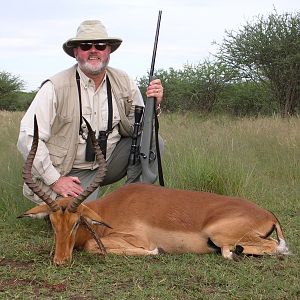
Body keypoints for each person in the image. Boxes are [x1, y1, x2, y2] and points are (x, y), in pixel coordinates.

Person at [17, 20, 164, 204]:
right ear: (76, 52)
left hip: (109, 162)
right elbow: (28, 137)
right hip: (71, 171)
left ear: (108, 50)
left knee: (153, 140)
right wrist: (55, 180)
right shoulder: (56, 87)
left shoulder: (124, 81)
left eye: (100, 45)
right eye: (86, 45)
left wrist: (154, 105)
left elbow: (140, 127)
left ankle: (134, 202)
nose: (94, 50)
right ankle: (61, 208)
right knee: (80, 223)